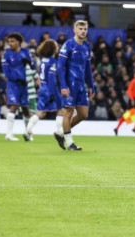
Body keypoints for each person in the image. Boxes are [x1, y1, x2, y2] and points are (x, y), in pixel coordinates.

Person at [58, 20, 95, 151]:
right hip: (69, 84)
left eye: (85, 29)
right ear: (74, 30)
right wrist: (63, 85)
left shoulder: (87, 47)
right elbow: (60, 66)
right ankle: (70, 143)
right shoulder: (68, 45)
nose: (83, 31)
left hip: (81, 85)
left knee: (83, 114)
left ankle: (60, 133)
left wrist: (91, 85)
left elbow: (88, 68)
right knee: (68, 112)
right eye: (80, 28)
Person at [24, 39, 66, 149]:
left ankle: (28, 129)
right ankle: (59, 132)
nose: (57, 48)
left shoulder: (44, 60)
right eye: (56, 46)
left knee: (41, 112)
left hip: (42, 88)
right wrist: (52, 93)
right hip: (50, 89)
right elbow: (52, 78)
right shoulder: (52, 62)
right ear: (53, 49)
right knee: (60, 110)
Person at [1, 32, 35, 141]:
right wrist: (17, 78)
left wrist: (30, 63)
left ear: (18, 42)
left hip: (25, 85)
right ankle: (9, 134)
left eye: (12, 41)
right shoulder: (6, 55)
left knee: (25, 109)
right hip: (13, 84)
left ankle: (28, 133)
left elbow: (33, 66)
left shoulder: (26, 52)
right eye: (9, 41)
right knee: (14, 105)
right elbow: (6, 72)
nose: (10, 43)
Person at [114, 71, 135, 136]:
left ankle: (117, 128)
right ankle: (133, 128)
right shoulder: (133, 81)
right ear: (134, 75)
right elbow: (129, 91)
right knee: (132, 115)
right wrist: (132, 100)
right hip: (134, 100)